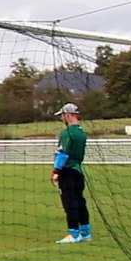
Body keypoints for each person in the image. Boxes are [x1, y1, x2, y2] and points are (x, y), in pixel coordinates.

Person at [51, 102, 91, 244]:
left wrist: (56, 171)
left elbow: (63, 153)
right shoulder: (81, 132)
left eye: (62, 115)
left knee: (70, 202)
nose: (61, 119)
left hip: (67, 171)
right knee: (80, 200)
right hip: (78, 170)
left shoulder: (67, 133)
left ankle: (74, 234)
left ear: (68, 115)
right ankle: (85, 232)